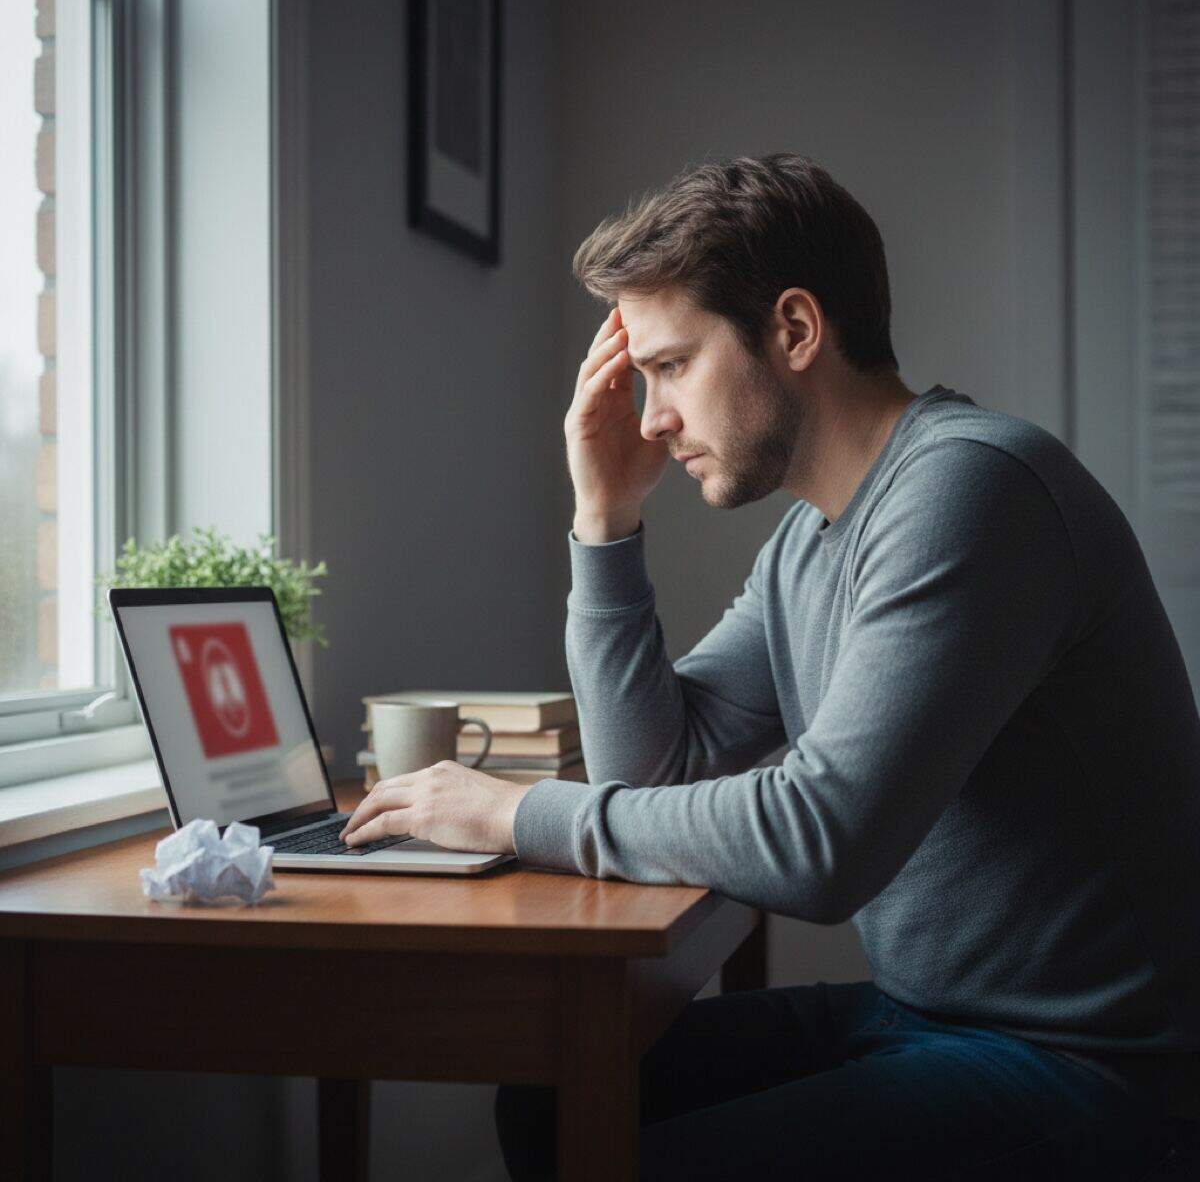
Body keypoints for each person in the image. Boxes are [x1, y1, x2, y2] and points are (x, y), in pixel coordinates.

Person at [338, 153, 1200, 1178]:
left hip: (1095, 1071)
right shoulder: (809, 542)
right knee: (550, 1094)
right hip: (933, 1017)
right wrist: (605, 520)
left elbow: (821, 840)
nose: (650, 418)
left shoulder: (972, 490)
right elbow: (652, 773)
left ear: (794, 331)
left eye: (669, 365)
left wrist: (509, 814)